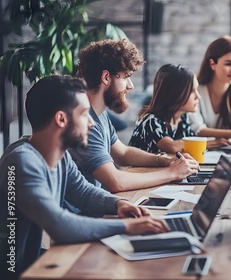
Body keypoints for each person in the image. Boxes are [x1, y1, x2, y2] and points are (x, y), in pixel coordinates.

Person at [0, 76, 169, 278]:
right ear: (61, 119)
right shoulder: (22, 162)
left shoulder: (58, 156)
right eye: (84, 114)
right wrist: (127, 226)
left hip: (34, 261)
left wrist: (118, 204)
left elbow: (82, 191)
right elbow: (60, 225)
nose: (91, 123)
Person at [70, 39, 199, 193]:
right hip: (87, 212)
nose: (130, 85)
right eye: (126, 77)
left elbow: (123, 153)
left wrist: (164, 160)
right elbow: (115, 182)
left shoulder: (100, 114)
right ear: (106, 77)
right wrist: (172, 173)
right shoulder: (85, 122)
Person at [129, 64, 230, 153]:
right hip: (142, 173)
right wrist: (212, 143)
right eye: (192, 91)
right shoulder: (150, 121)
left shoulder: (183, 119)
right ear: (175, 94)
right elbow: (172, 146)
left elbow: (189, 143)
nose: (197, 96)